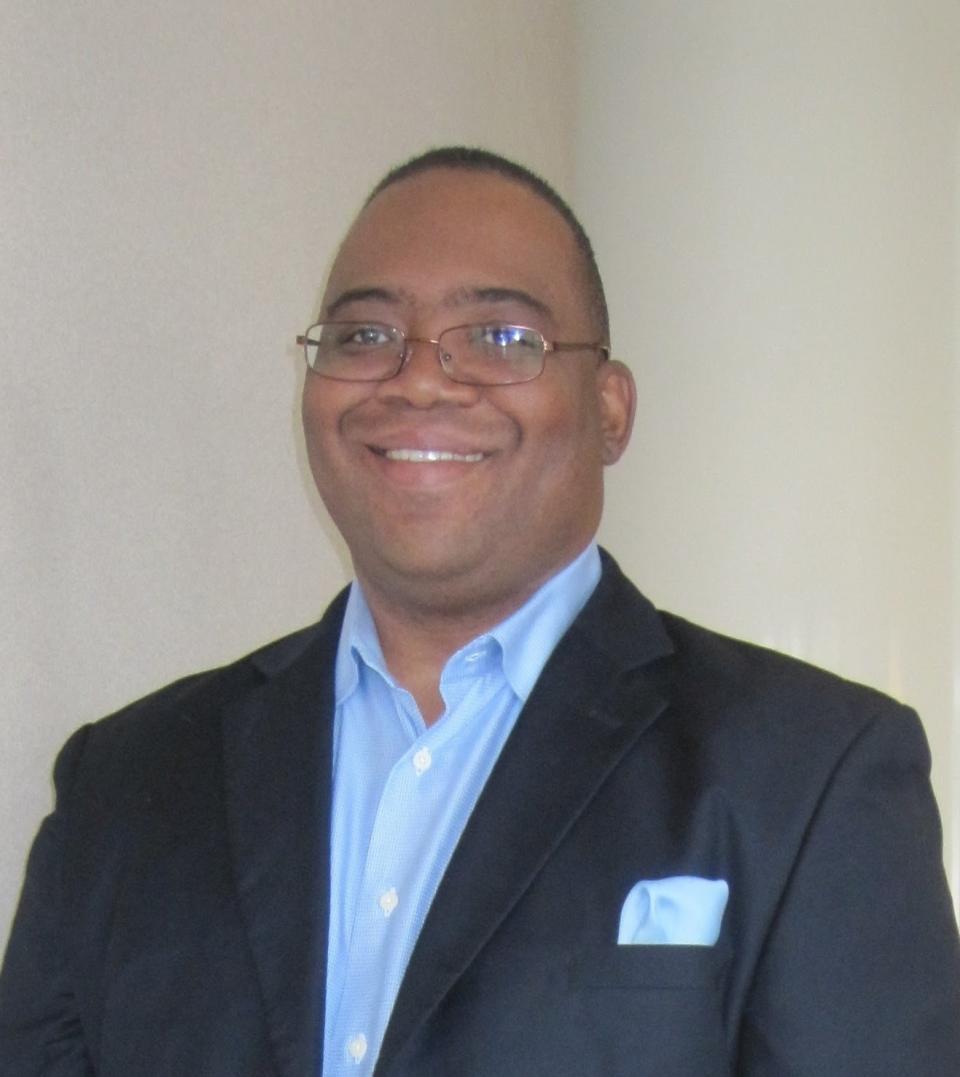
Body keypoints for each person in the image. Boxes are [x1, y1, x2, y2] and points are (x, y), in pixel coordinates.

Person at [1, 146, 958, 1076]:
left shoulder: (809, 772)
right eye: (366, 335)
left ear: (611, 409)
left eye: (502, 338)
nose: (417, 378)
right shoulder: (126, 786)